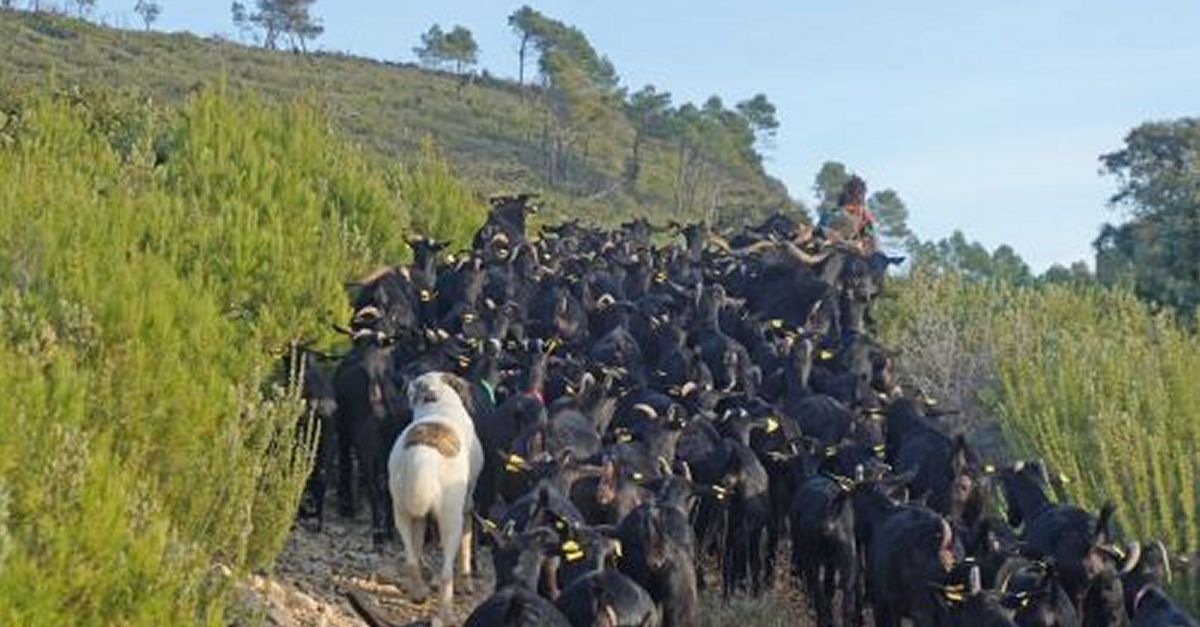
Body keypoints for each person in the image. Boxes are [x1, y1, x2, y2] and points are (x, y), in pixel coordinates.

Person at [818, 175, 878, 253]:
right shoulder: (833, 213)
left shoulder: (866, 217)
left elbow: (870, 236)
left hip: (853, 245)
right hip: (834, 241)